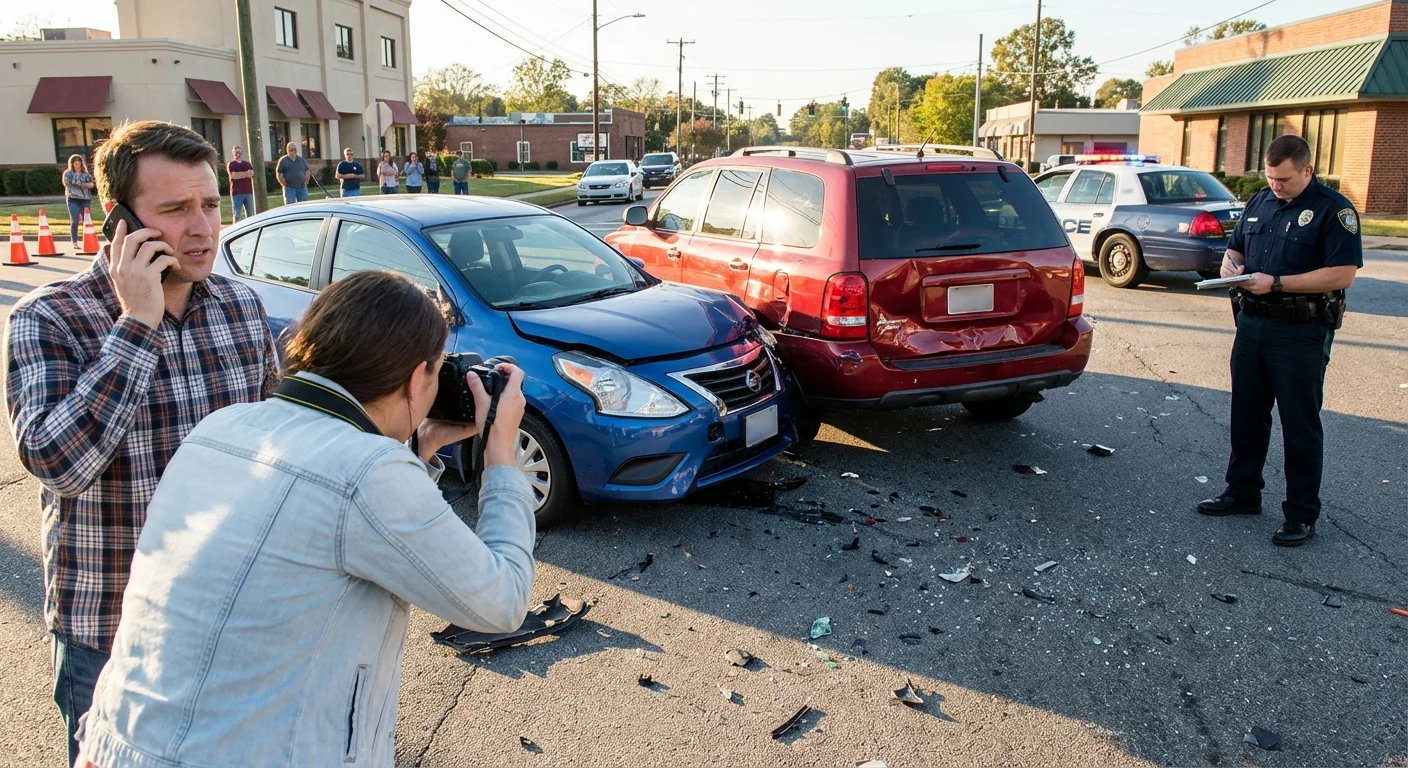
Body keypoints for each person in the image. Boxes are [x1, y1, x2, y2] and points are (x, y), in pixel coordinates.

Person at [74, 270, 535, 768]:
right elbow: (501, 602)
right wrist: (501, 457)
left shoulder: (222, 425)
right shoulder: (367, 474)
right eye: (439, 371)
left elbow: (326, 526)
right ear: (413, 378)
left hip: (116, 744)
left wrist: (420, 446)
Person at [3, 120, 278, 766]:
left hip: (231, 623)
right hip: (111, 634)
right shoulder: (50, 318)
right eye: (176, 210)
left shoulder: (242, 308)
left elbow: (274, 452)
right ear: (119, 219)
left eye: (210, 204)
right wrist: (139, 323)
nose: (205, 228)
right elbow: (59, 463)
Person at [1197, 134, 1362, 547]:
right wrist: (1232, 265)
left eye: (1284, 179)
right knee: (1247, 413)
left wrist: (1279, 283)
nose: (1276, 186)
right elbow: (1235, 250)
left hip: (1300, 331)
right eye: (1270, 178)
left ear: (1307, 170)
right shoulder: (1259, 202)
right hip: (1252, 325)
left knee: (1299, 423)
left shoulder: (1333, 210)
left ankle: (1301, 514)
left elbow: (1342, 273)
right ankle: (1242, 492)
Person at [61, 155, 96, 247]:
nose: (77, 165)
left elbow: (92, 184)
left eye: (78, 163)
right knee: (75, 220)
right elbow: (67, 183)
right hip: (73, 199)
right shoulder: (68, 173)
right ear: (72, 164)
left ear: (81, 163)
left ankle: (88, 240)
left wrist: (85, 184)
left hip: (85, 199)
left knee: (87, 221)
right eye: (75, 163)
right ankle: (75, 242)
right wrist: (83, 184)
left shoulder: (86, 174)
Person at [226, 145, 256, 221]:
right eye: (236, 152)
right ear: (233, 153)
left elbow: (252, 174)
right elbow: (234, 175)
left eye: (240, 152)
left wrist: (241, 174)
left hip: (248, 192)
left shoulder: (247, 164)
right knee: (237, 215)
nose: (238, 154)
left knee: (251, 215)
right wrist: (246, 173)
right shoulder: (231, 164)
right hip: (236, 193)